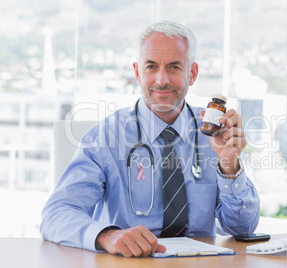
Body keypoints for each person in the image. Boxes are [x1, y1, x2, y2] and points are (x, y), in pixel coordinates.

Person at [40, 20, 260, 258]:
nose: (161, 80)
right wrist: (107, 236)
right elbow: (56, 214)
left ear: (192, 73)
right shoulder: (105, 138)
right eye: (151, 67)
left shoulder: (214, 133)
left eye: (174, 67)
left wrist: (229, 165)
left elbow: (242, 229)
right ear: (137, 72)